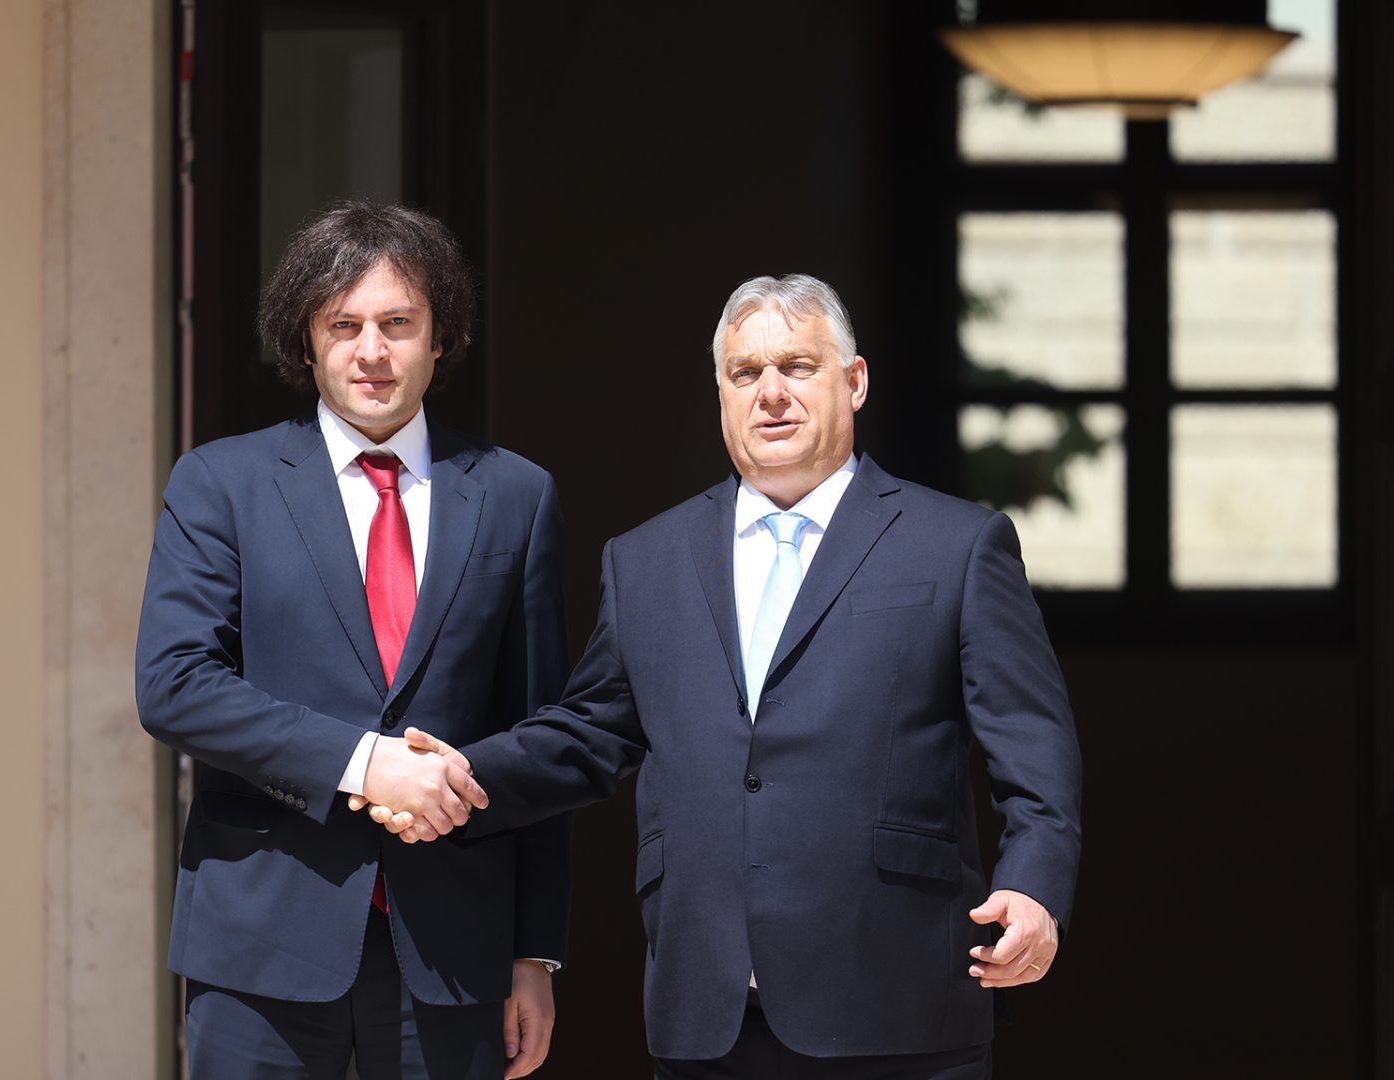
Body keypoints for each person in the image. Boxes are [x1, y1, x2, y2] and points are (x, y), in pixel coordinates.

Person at [367, 275, 1081, 1079]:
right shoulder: (647, 559)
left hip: (899, 1003)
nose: (770, 393)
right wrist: (457, 776)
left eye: (798, 366)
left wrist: (1035, 888)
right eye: (745, 373)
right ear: (720, 394)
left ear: (854, 381)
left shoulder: (957, 544)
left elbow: (1033, 743)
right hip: (708, 1012)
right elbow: (589, 733)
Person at [134, 201, 569, 1080]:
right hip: (262, 942)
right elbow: (174, 684)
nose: (372, 350)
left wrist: (534, 952)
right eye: (344, 325)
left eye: (398, 324)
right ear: (306, 341)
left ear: (440, 338)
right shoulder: (221, 482)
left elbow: (539, 733)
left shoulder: (515, 494)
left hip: (456, 950)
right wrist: (364, 764)